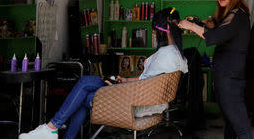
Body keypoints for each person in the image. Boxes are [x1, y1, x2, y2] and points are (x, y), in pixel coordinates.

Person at [19, 7, 188, 139]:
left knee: (85, 88)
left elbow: (147, 86)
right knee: (85, 86)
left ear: (165, 28)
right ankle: (52, 129)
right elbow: (150, 83)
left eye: (154, 30)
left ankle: (51, 128)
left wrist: (116, 88)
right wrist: (127, 81)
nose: (153, 33)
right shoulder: (175, 54)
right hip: (140, 97)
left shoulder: (165, 55)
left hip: (134, 103)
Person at [178, 0, 253, 139]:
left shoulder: (238, 15)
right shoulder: (230, 15)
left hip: (230, 79)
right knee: (231, 124)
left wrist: (191, 26)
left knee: (241, 128)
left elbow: (217, 37)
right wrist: (209, 25)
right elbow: (220, 32)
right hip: (225, 77)